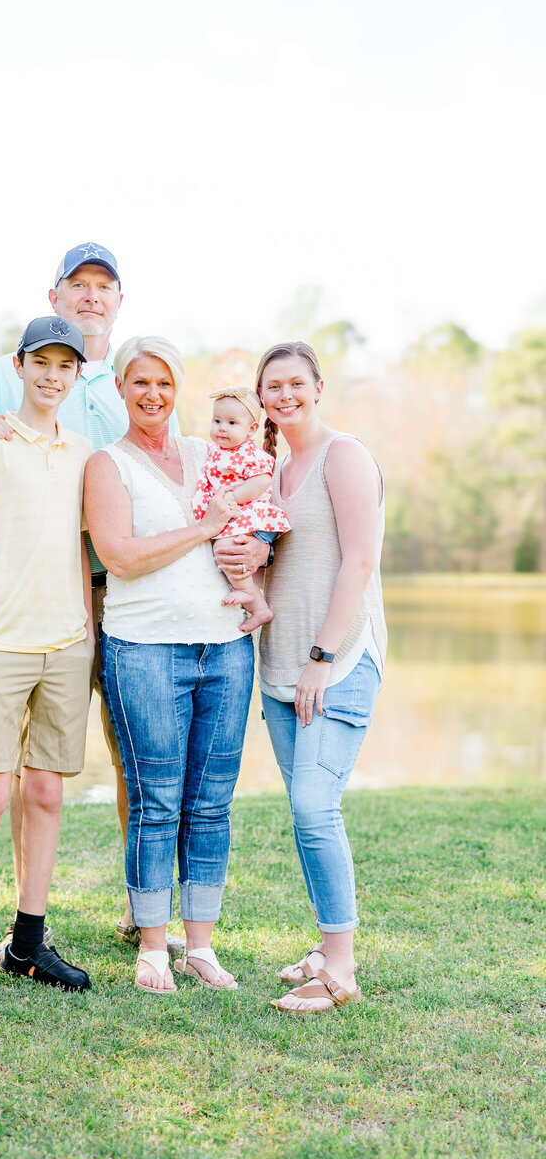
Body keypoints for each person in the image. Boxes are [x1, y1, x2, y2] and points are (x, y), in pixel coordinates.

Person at [0, 242, 183, 964]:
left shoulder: (129, 382)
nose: (92, 296)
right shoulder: (6, 370)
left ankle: (139, 908)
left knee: (132, 760)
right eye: (78, 285)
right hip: (30, 601)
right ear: (55, 294)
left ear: (120, 301)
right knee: (18, 777)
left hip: (113, 598)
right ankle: (21, 929)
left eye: (105, 287)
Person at [84, 336, 255, 994]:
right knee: (157, 800)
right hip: (144, 649)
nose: (153, 394)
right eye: (139, 382)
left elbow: (255, 510)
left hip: (225, 649)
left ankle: (201, 946)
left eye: (164, 382)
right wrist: (205, 526)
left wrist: (252, 555)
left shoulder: (210, 453)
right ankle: (152, 946)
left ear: (176, 387)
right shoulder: (108, 465)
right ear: (122, 389)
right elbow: (119, 555)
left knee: (210, 803)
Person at [0, 315, 95, 1007]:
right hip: (1, 643)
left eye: (66, 365)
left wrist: (87, 628)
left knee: (47, 793)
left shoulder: (84, 451)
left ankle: (28, 944)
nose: (53, 375)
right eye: (43, 362)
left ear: (76, 375)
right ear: (21, 363)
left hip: (65, 644)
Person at [252, 340, 387, 1014]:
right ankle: (324, 944)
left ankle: (340, 968)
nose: (284, 394)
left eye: (295, 382)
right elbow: (277, 565)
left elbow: (357, 562)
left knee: (314, 806)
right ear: (260, 399)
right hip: (279, 667)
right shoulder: (273, 473)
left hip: (337, 662)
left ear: (317, 387)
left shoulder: (344, 456)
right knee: (306, 811)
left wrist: (322, 657)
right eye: (272, 386)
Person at [191, 386, 290, 632]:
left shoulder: (247, 453)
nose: (222, 427)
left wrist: (233, 497)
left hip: (247, 516)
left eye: (232, 422)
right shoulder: (213, 451)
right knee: (222, 552)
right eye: (217, 421)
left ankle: (247, 593)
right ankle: (259, 608)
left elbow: (262, 480)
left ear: (251, 430)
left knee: (226, 550)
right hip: (231, 517)